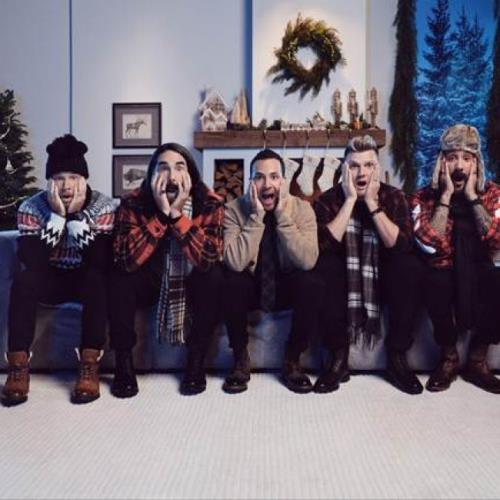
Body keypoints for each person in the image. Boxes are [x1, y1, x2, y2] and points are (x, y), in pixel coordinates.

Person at [2, 134, 115, 406]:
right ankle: (18, 365)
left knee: (97, 278)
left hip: (85, 277)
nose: (66, 185)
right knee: (25, 279)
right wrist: (57, 218)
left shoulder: (103, 206)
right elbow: (33, 261)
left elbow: (101, 260)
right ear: (49, 181)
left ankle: (89, 364)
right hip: (49, 277)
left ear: (84, 179)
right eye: (59, 178)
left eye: (73, 177)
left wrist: (74, 219)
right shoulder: (31, 207)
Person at [109, 143, 224, 397]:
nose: (172, 176)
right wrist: (162, 216)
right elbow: (124, 258)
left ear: (190, 175)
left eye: (179, 167)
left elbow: (208, 258)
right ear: (152, 175)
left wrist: (179, 218)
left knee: (214, 276)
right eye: (163, 168)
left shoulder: (210, 203)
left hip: (190, 280)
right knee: (119, 278)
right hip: (150, 279)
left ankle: (196, 362)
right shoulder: (133, 202)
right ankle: (123, 364)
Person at [313, 135, 423, 395]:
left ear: (377, 168)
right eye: (354, 166)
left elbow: (401, 245)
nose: (362, 173)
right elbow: (322, 246)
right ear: (344, 169)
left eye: (368, 165)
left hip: (382, 282)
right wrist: (350, 200)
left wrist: (372, 204)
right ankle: (338, 357)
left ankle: (396, 357)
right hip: (343, 285)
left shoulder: (393, 196)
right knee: (324, 266)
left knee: (409, 266)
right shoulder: (328, 200)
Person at [410, 124, 500, 393]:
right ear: (442, 163)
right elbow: (428, 245)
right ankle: (449, 357)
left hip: (480, 268)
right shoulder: (423, 197)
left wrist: (472, 198)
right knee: (433, 280)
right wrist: (446, 197)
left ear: (476, 164)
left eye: (466, 158)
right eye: (452, 158)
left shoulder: (493, 194)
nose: (459, 166)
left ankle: (477, 360)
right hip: (443, 268)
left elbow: (497, 240)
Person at [223, 148, 321, 394]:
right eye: (259, 177)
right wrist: (256, 217)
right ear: (251, 182)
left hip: (285, 286)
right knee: (231, 280)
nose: (267, 184)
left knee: (312, 281)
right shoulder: (234, 209)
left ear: (284, 182)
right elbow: (234, 262)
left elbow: (308, 260)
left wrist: (281, 216)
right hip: (251, 288)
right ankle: (240, 359)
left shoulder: (303, 209)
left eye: (274, 177)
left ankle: (292, 360)